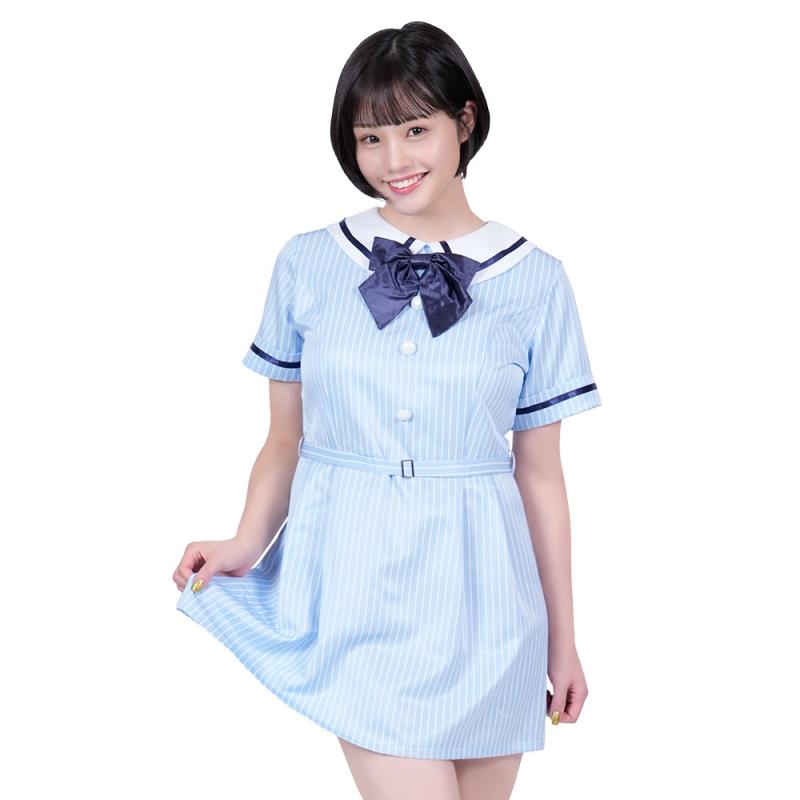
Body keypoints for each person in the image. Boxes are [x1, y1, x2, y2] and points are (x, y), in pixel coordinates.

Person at [173, 20, 602, 800]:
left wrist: (564, 639)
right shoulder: (309, 262)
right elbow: (285, 438)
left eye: (415, 130)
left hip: (489, 601)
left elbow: (541, 476)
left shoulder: (537, 280)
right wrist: (246, 539)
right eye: (371, 138)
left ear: (464, 121)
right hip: (355, 581)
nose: (394, 161)